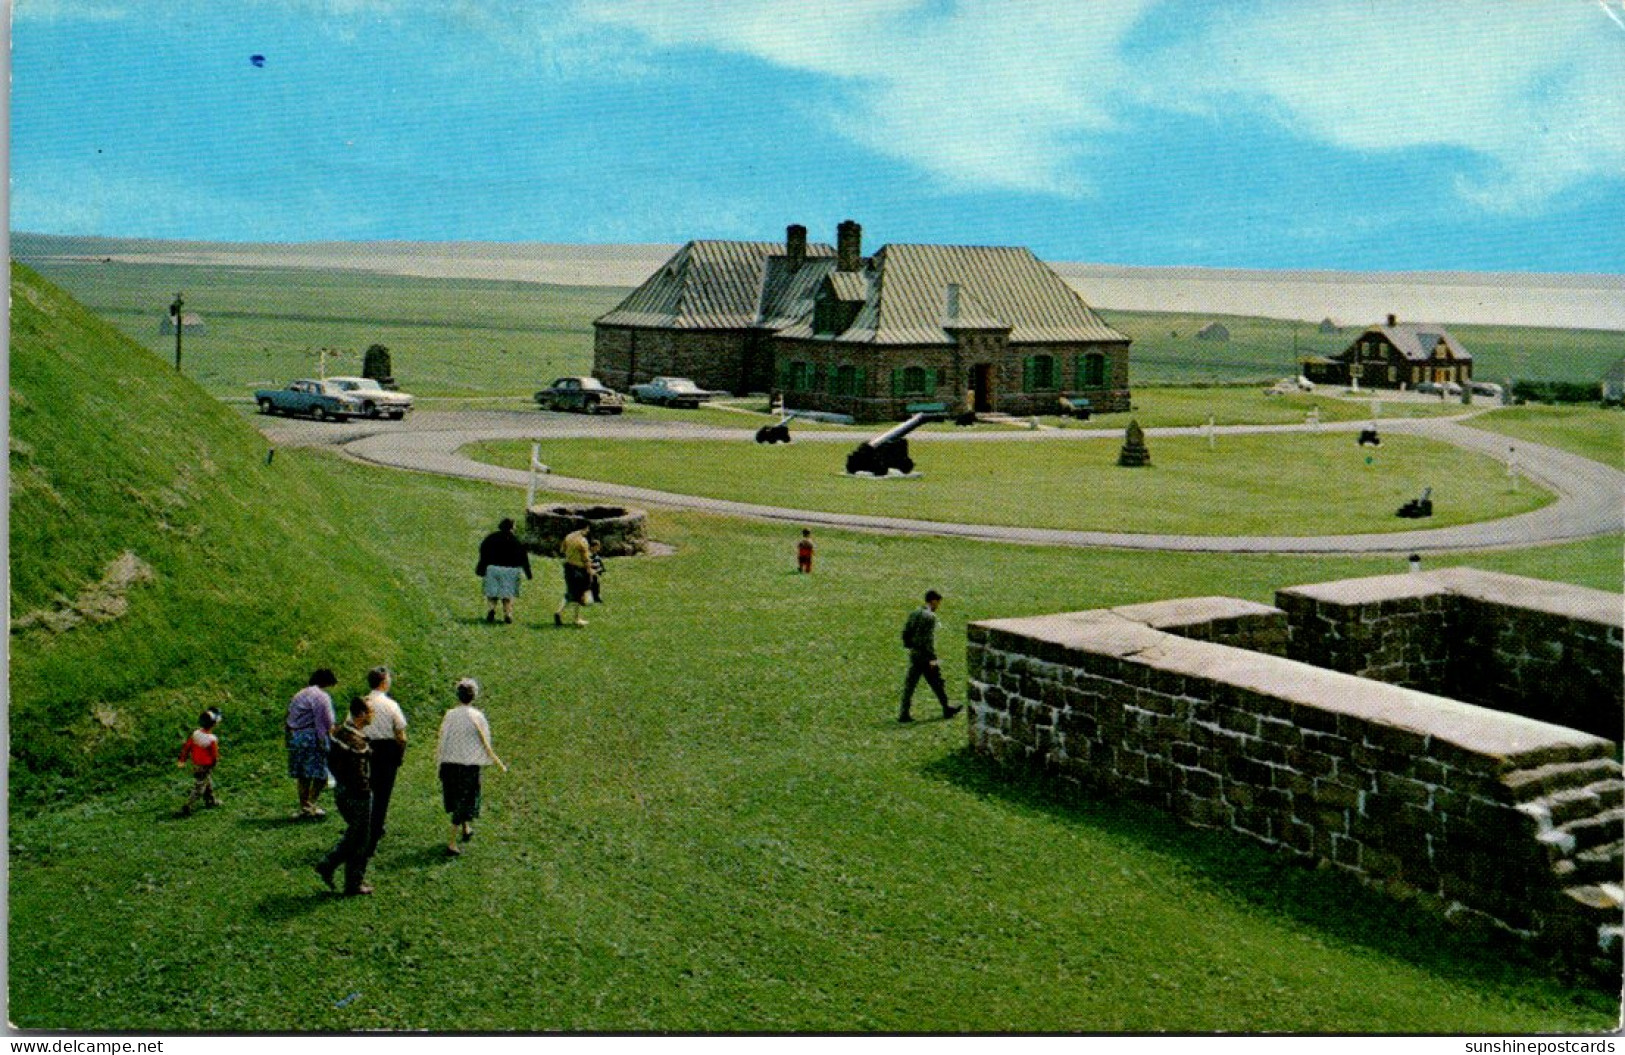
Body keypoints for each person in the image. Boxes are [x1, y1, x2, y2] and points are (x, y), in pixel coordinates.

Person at [436, 678, 507, 856]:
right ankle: (451, 843)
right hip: (467, 766)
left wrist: (439, 760)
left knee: (460, 799)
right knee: (464, 801)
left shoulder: (450, 715)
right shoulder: (477, 716)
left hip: (450, 763)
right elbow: (486, 742)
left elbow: (442, 738)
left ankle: (466, 828)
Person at [315, 697, 374, 896]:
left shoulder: (338, 733)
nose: (372, 715)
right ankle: (335, 869)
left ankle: (349, 879)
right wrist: (366, 793)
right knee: (360, 839)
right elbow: (360, 775)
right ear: (361, 715)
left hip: (341, 790)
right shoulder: (358, 744)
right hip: (357, 795)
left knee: (355, 835)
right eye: (370, 711)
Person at [359, 666, 407, 856]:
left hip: (364, 748)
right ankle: (375, 830)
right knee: (382, 793)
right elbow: (401, 735)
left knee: (366, 789)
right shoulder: (391, 705)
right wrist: (399, 754)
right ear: (383, 683)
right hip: (386, 751)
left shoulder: (363, 702)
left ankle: (366, 825)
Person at [899, 589, 961, 723]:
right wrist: (933, 659)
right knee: (937, 681)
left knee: (910, 685)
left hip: (914, 654)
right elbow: (928, 640)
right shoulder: (930, 617)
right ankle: (947, 708)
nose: (938, 606)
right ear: (933, 601)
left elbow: (905, 632)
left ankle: (903, 713)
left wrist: (910, 646)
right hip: (926, 656)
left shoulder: (914, 613)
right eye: (938, 603)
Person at [286, 669, 337, 818]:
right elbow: (326, 722)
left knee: (303, 776)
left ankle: (304, 806)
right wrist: (328, 740)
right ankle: (310, 804)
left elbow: (288, 717)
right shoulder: (322, 697)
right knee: (321, 774)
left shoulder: (299, 695)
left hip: (296, 736)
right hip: (312, 738)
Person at [476, 517, 533, 624]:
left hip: (492, 568)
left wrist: (481, 567)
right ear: (512, 528)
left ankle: (491, 609)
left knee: (492, 592)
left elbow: (483, 552)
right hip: (510, 570)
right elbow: (524, 558)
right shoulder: (517, 541)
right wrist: (528, 573)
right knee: (508, 594)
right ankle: (508, 614)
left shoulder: (491, 538)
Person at [176, 708, 222, 815]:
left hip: (196, 765)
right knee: (200, 787)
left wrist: (182, 760)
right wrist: (215, 763)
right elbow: (214, 755)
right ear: (213, 724)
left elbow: (187, 747)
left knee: (207, 782)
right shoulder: (212, 739)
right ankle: (188, 806)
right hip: (206, 766)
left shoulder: (195, 734)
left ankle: (211, 801)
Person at [554, 524, 593, 627]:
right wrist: (590, 571)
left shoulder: (569, 536)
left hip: (568, 567)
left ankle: (559, 611)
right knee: (579, 594)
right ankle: (577, 618)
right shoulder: (582, 541)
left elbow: (562, 550)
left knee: (570, 592)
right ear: (585, 528)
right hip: (579, 569)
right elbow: (586, 559)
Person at [588, 539, 606, 604]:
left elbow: (603, 568)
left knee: (595, 578)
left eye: (598, 547)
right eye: (597, 546)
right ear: (591, 547)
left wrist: (597, 570)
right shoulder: (587, 556)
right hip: (587, 574)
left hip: (594, 575)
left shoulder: (597, 557)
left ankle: (596, 597)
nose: (598, 548)